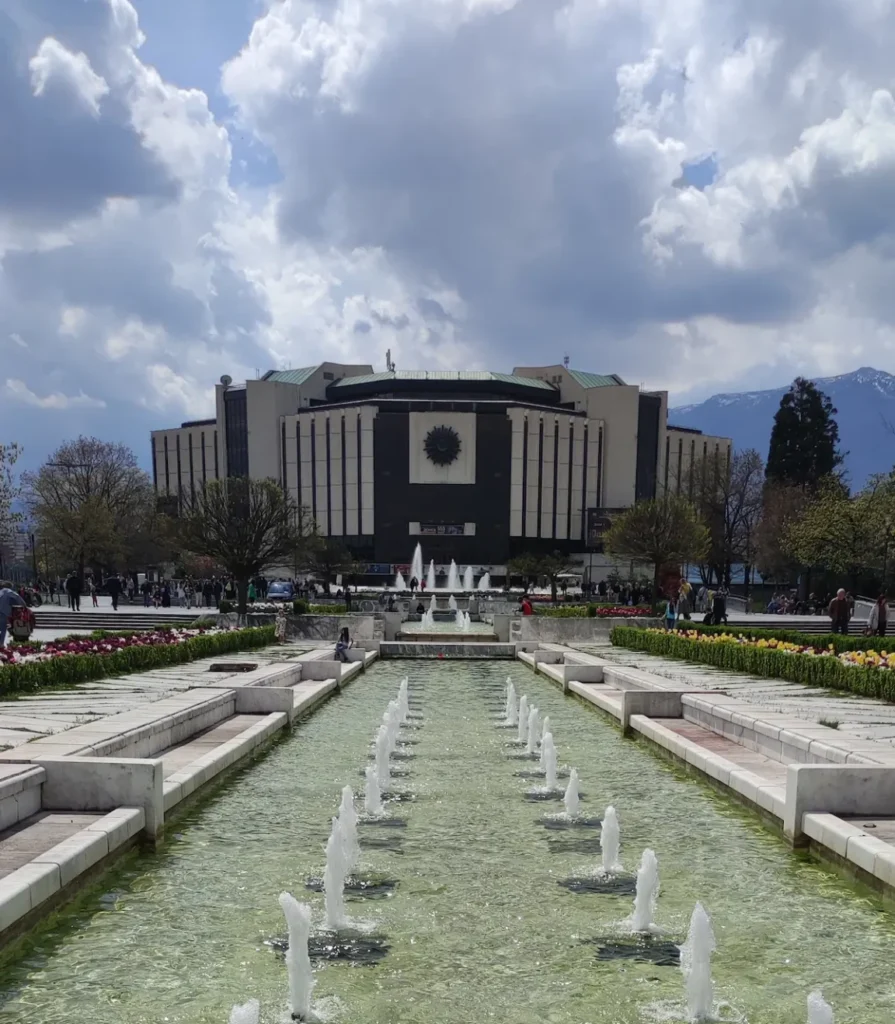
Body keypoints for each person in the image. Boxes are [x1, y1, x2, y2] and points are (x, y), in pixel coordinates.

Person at [0, 581, 26, 647]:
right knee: (3, 628)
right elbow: (17, 597)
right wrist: (24, 604)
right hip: (3, 612)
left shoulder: (1, 591)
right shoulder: (8, 591)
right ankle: (1, 643)